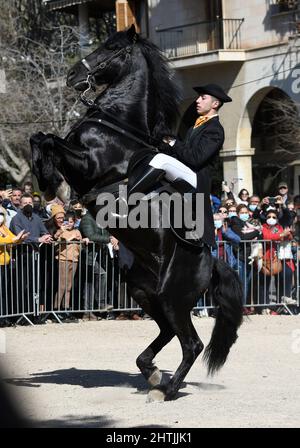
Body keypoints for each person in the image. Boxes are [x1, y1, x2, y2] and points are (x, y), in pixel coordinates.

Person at [128, 83, 232, 248]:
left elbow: (195, 158)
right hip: (186, 174)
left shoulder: (215, 129)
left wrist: (172, 141)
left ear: (215, 104)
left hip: (196, 179)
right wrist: (161, 141)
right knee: (154, 164)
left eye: (202, 98)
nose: (197, 101)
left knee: (161, 160)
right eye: (198, 97)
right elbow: (180, 153)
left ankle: (128, 196)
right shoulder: (194, 127)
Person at [0, 206, 29, 325]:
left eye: (2, 214)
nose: (0, 217)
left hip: (5, 264)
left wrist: (20, 239)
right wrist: (14, 239)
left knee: (4, 291)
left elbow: (12, 238)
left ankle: (4, 316)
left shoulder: (4, 228)